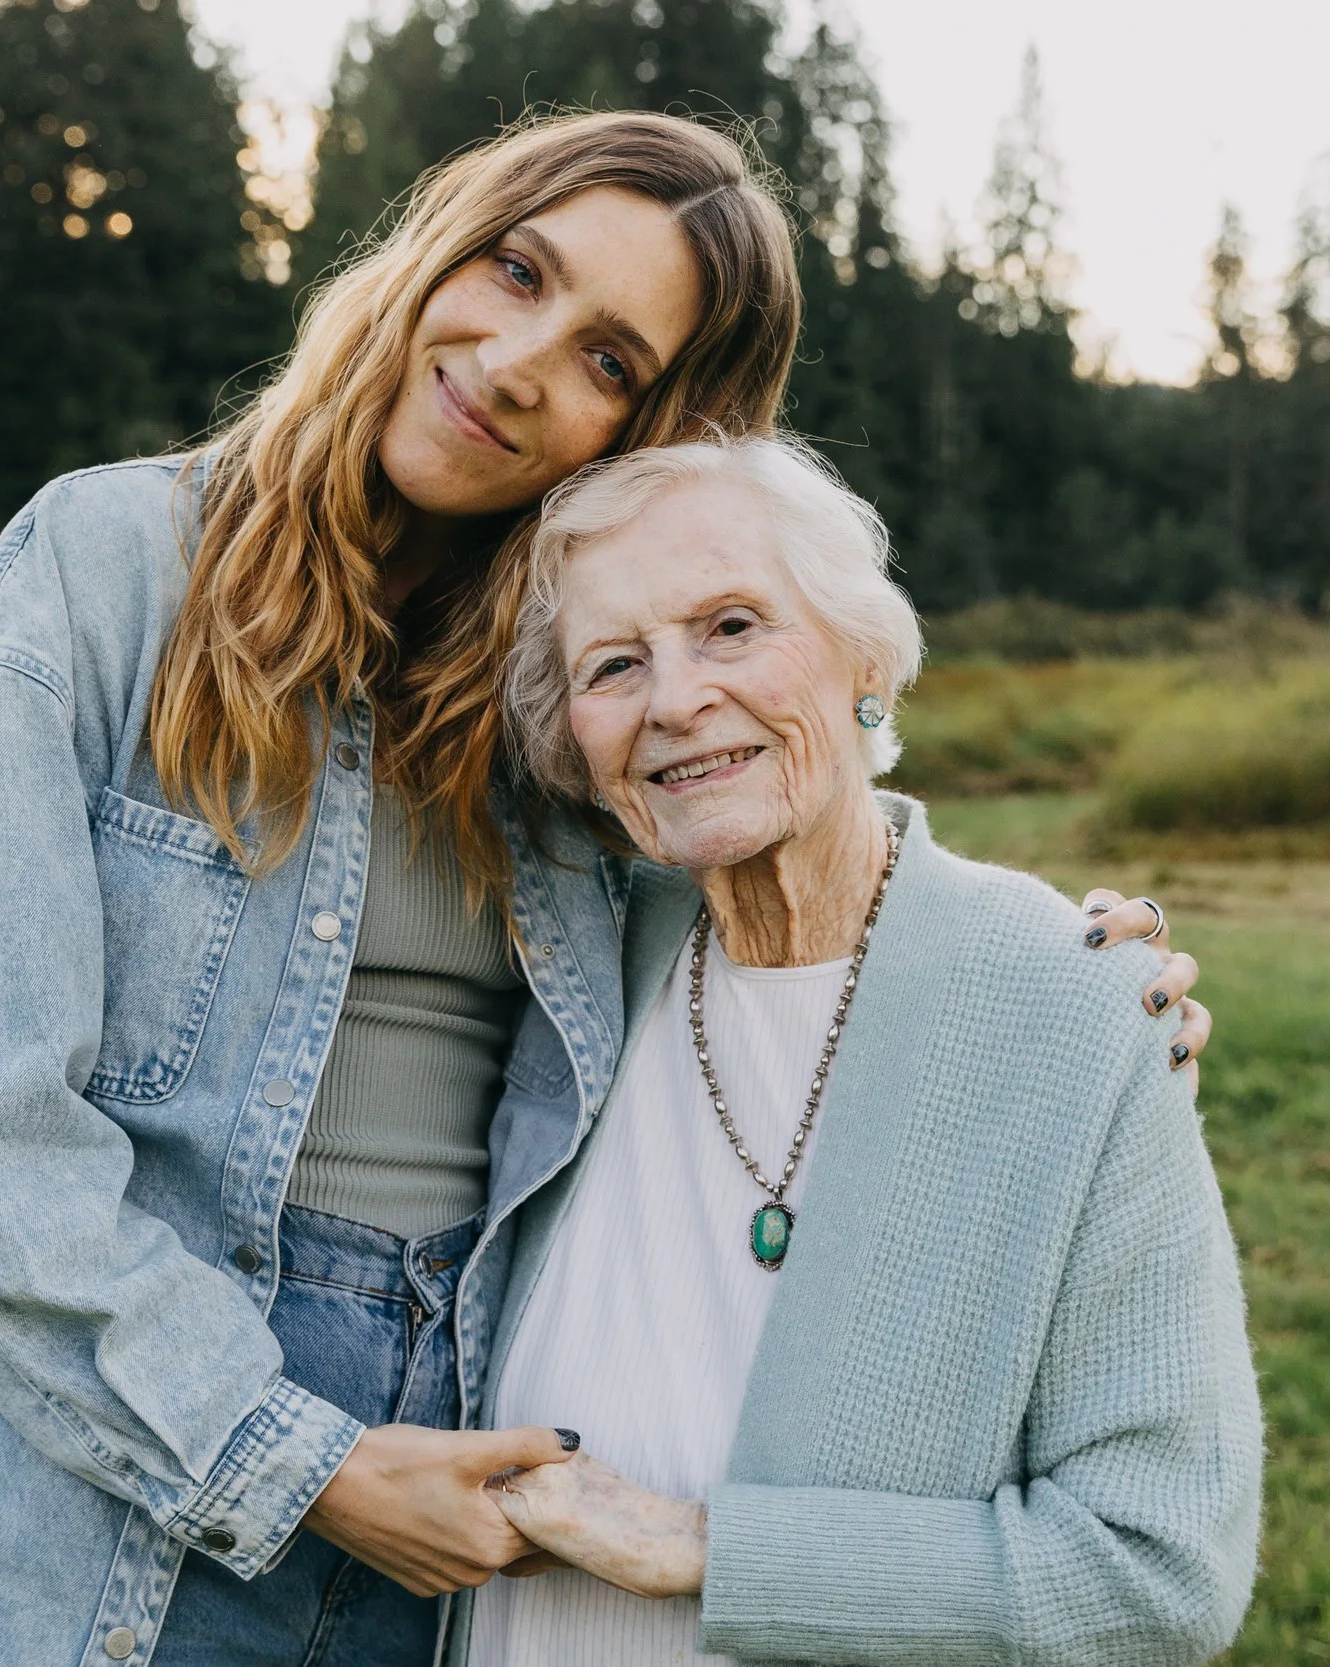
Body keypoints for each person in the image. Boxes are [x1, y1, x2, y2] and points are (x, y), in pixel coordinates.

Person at [0, 112, 1212, 1667]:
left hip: (465, 1512)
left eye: (608, 359)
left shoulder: (571, 699)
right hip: (117, 1490)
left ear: (644, 435)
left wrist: (1031, 965)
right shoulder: (104, 567)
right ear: (435, 247)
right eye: (518, 270)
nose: (520, 363)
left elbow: (765, 801)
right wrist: (299, 1461)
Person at [462, 433, 1261, 1666]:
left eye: (731, 626)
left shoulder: (1073, 1004)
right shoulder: (559, 965)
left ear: (864, 658)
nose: (673, 700)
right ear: (576, 738)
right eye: (614, 664)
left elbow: (1157, 1570)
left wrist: (707, 1548)